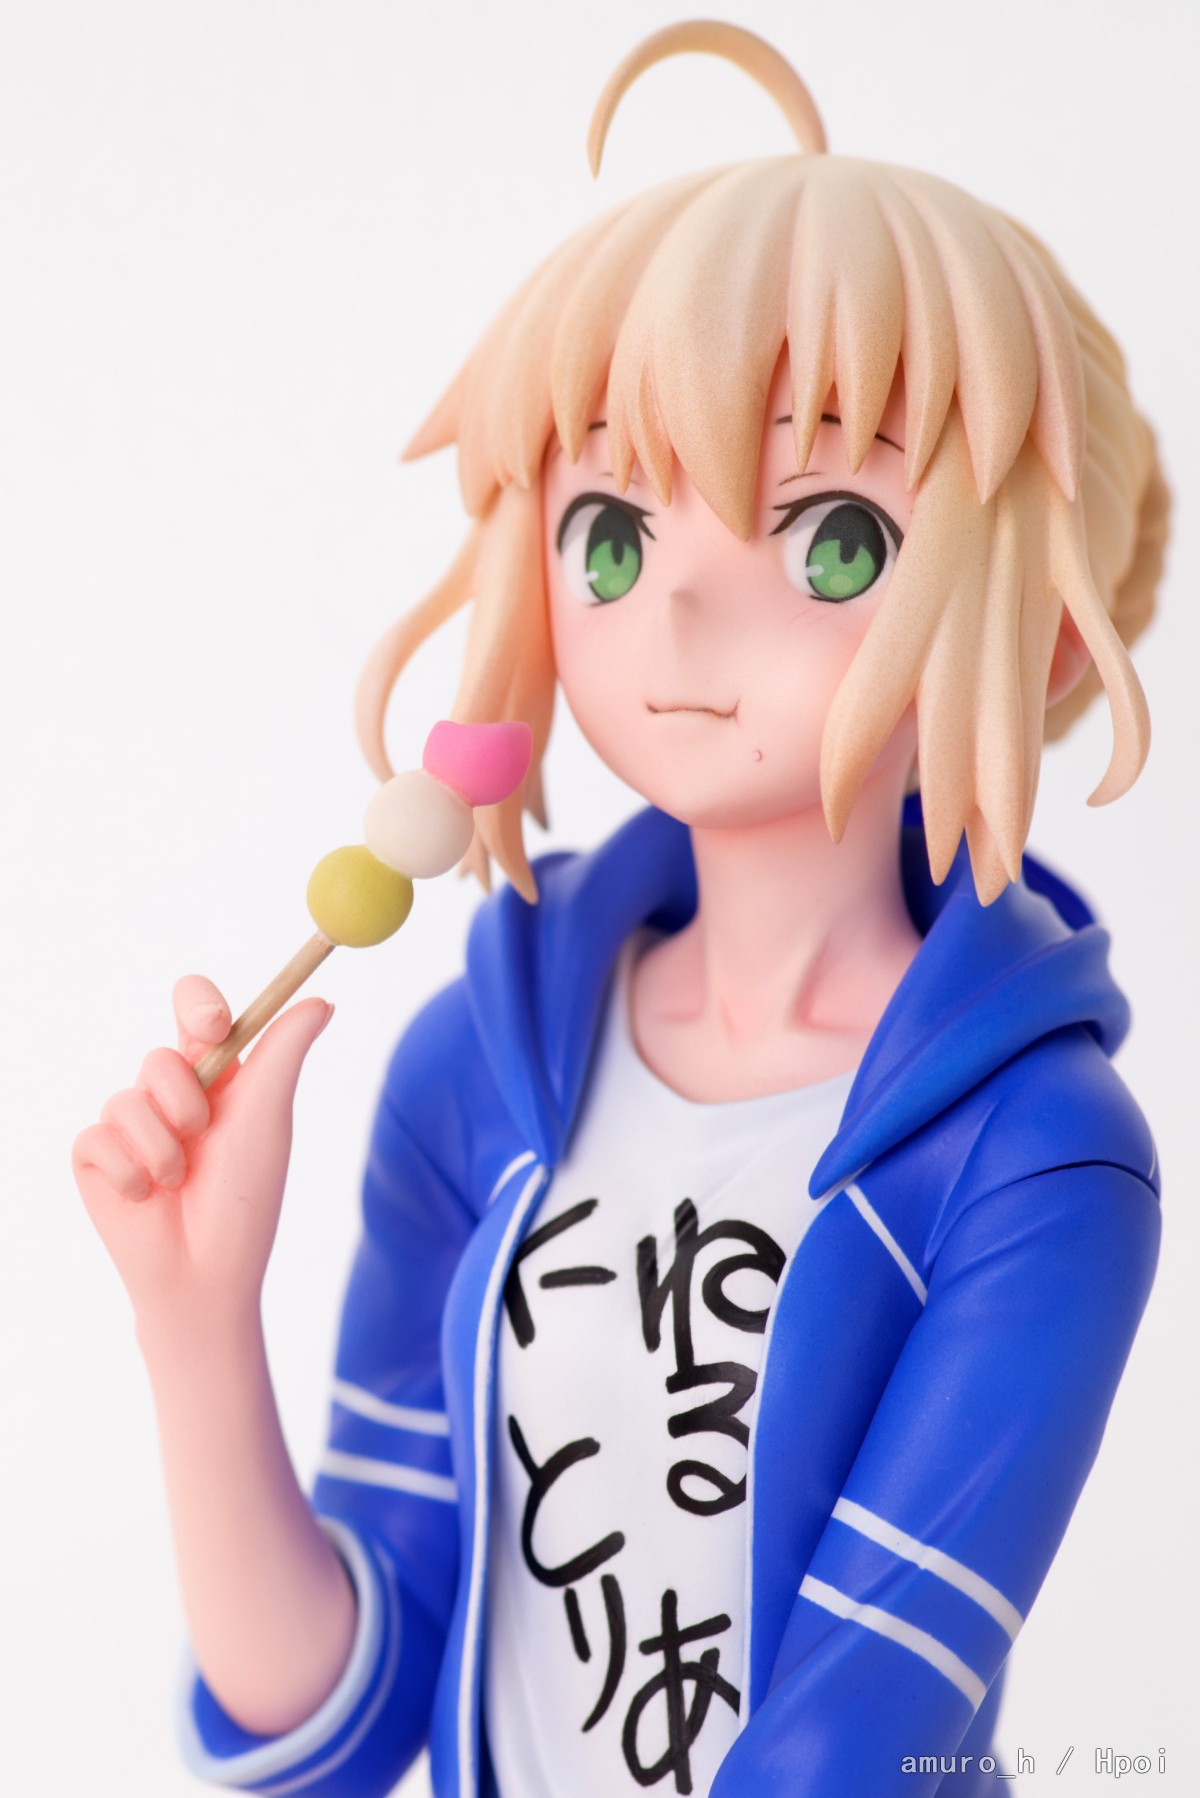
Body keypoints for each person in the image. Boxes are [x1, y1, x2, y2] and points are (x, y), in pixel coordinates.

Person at [72, 21, 1168, 1798]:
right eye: (609, 534)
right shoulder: (478, 1068)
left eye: (830, 540)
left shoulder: (1037, 1158)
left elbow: (864, 1719)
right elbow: (337, 1712)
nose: (678, 616)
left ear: (1040, 631)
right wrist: (192, 1323)